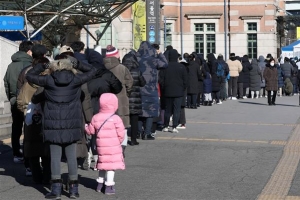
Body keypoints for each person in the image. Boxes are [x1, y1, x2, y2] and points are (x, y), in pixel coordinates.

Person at [26, 58, 96, 199]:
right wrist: (79, 63)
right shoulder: (76, 80)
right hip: (72, 125)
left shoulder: (48, 80)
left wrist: (41, 66)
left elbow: (29, 76)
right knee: (71, 157)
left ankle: (56, 190)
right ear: (70, 67)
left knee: (55, 158)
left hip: (53, 125)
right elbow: (94, 71)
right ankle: (73, 190)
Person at [16, 44, 51, 183]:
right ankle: (48, 177)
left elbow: (19, 101)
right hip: (48, 118)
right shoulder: (51, 81)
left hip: (31, 119)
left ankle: (36, 176)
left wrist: (26, 110)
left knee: (32, 149)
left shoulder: (28, 82)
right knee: (47, 150)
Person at [85, 93, 125, 195]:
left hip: (101, 146)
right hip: (113, 146)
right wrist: (118, 142)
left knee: (102, 164)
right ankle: (109, 187)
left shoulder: (96, 117)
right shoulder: (116, 118)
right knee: (111, 167)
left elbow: (91, 131)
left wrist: (85, 127)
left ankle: (99, 185)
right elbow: (121, 133)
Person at [4, 41, 33, 163]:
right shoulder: (30, 64)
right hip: (28, 102)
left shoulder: (11, 65)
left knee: (16, 127)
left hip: (14, 100)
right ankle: (28, 154)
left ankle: (16, 153)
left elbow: (6, 83)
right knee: (29, 128)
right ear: (28, 51)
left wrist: (11, 97)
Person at [104, 45, 133, 155]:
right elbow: (130, 83)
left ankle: (109, 147)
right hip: (121, 100)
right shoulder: (122, 68)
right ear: (116, 55)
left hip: (105, 100)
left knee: (108, 125)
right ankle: (121, 148)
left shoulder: (101, 67)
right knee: (123, 125)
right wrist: (125, 93)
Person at [136, 41, 168, 140]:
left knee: (139, 111)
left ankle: (138, 132)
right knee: (150, 111)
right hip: (151, 89)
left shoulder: (137, 59)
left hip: (139, 88)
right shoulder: (153, 60)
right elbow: (165, 64)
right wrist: (160, 54)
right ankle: (147, 133)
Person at [160, 49, 187, 133]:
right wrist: (182, 88)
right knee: (176, 109)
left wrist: (164, 87)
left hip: (168, 91)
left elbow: (161, 80)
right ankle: (174, 126)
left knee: (168, 109)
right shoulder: (181, 67)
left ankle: (166, 125)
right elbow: (186, 80)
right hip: (178, 91)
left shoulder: (165, 67)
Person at [122, 50, 146, 145]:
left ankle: (122, 139)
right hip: (135, 99)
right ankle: (133, 139)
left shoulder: (122, 70)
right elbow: (143, 83)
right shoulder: (137, 71)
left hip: (124, 98)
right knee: (134, 120)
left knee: (123, 120)